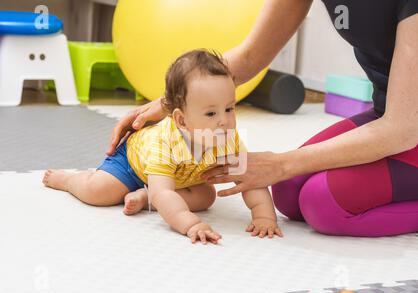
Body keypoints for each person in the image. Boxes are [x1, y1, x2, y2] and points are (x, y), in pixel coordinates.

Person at [107, 0, 418, 237]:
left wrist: (281, 162)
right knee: (287, 191)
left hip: (405, 124)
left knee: (324, 204)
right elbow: (251, 56)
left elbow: (401, 129)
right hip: (391, 112)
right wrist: (168, 103)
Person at [43, 49, 283, 244]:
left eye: (229, 109)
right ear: (181, 120)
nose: (224, 120)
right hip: (133, 165)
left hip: (180, 179)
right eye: (211, 113)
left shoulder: (227, 137)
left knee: (207, 196)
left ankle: (147, 197)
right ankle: (68, 180)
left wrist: (264, 216)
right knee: (99, 191)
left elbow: (249, 180)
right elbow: (165, 193)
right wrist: (190, 223)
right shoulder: (166, 142)